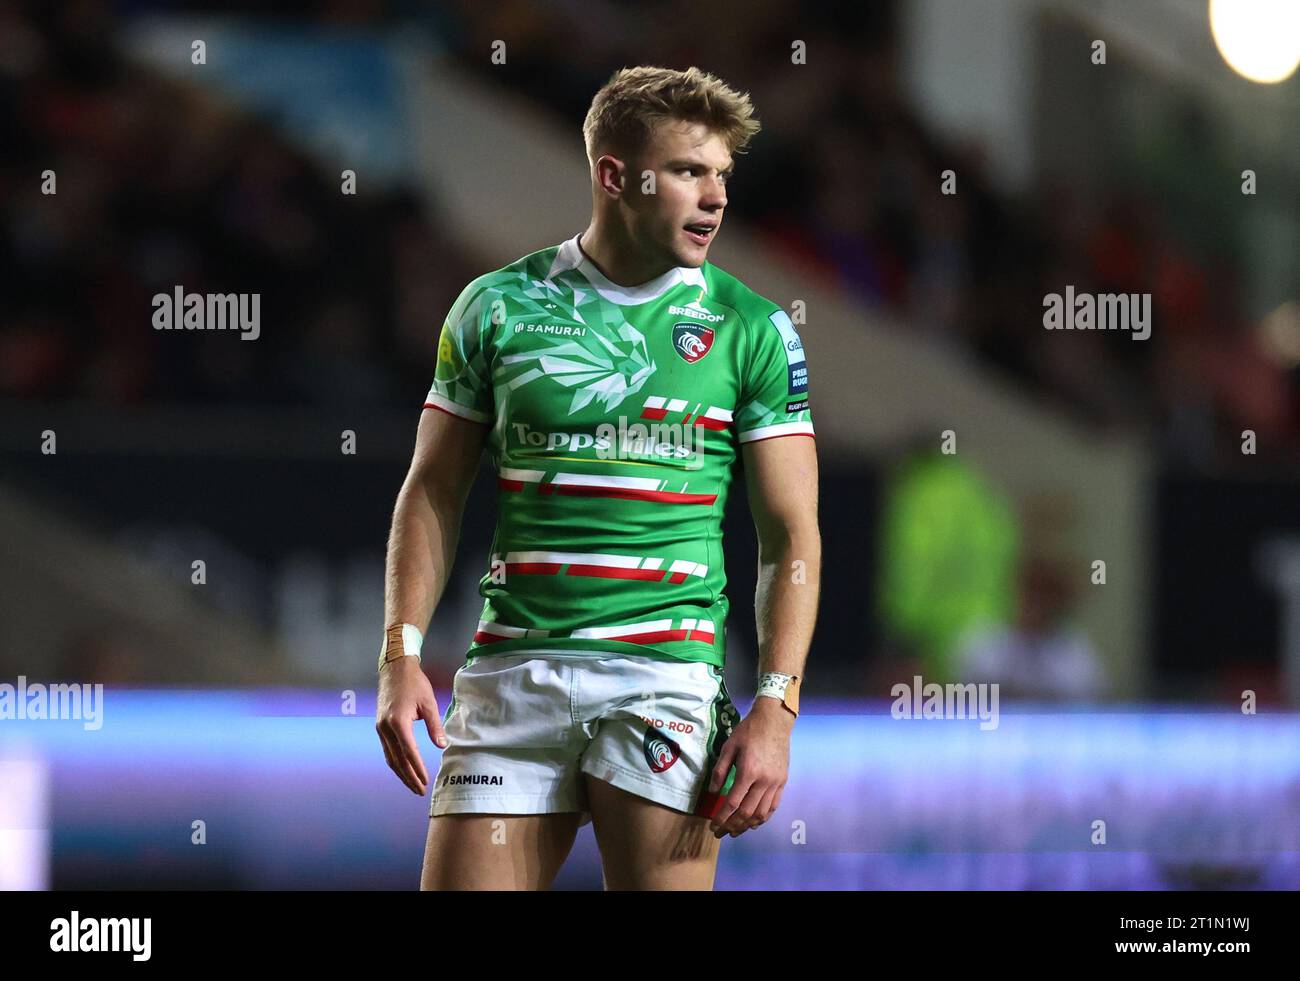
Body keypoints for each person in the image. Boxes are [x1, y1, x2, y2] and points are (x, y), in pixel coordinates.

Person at [376, 66, 820, 890]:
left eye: (723, 174)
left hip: (665, 678)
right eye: (691, 170)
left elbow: (791, 533)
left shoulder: (752, 328)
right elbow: (432, 487)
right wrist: (400, 652)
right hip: (514, 674)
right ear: (615, 176)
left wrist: (777, 706)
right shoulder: (495, 306)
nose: (717, 196)